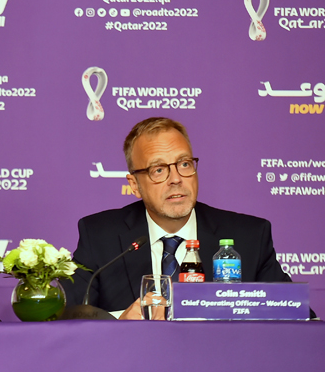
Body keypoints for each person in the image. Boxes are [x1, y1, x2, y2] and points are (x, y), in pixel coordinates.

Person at [65, 117, 294, 319]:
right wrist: (118, 327)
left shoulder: (249, 237)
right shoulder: (99, 236)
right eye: (159, 170)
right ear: (134, 185)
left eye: (184, 164)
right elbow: (71, 316)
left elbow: (295, 316)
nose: (176, 179)